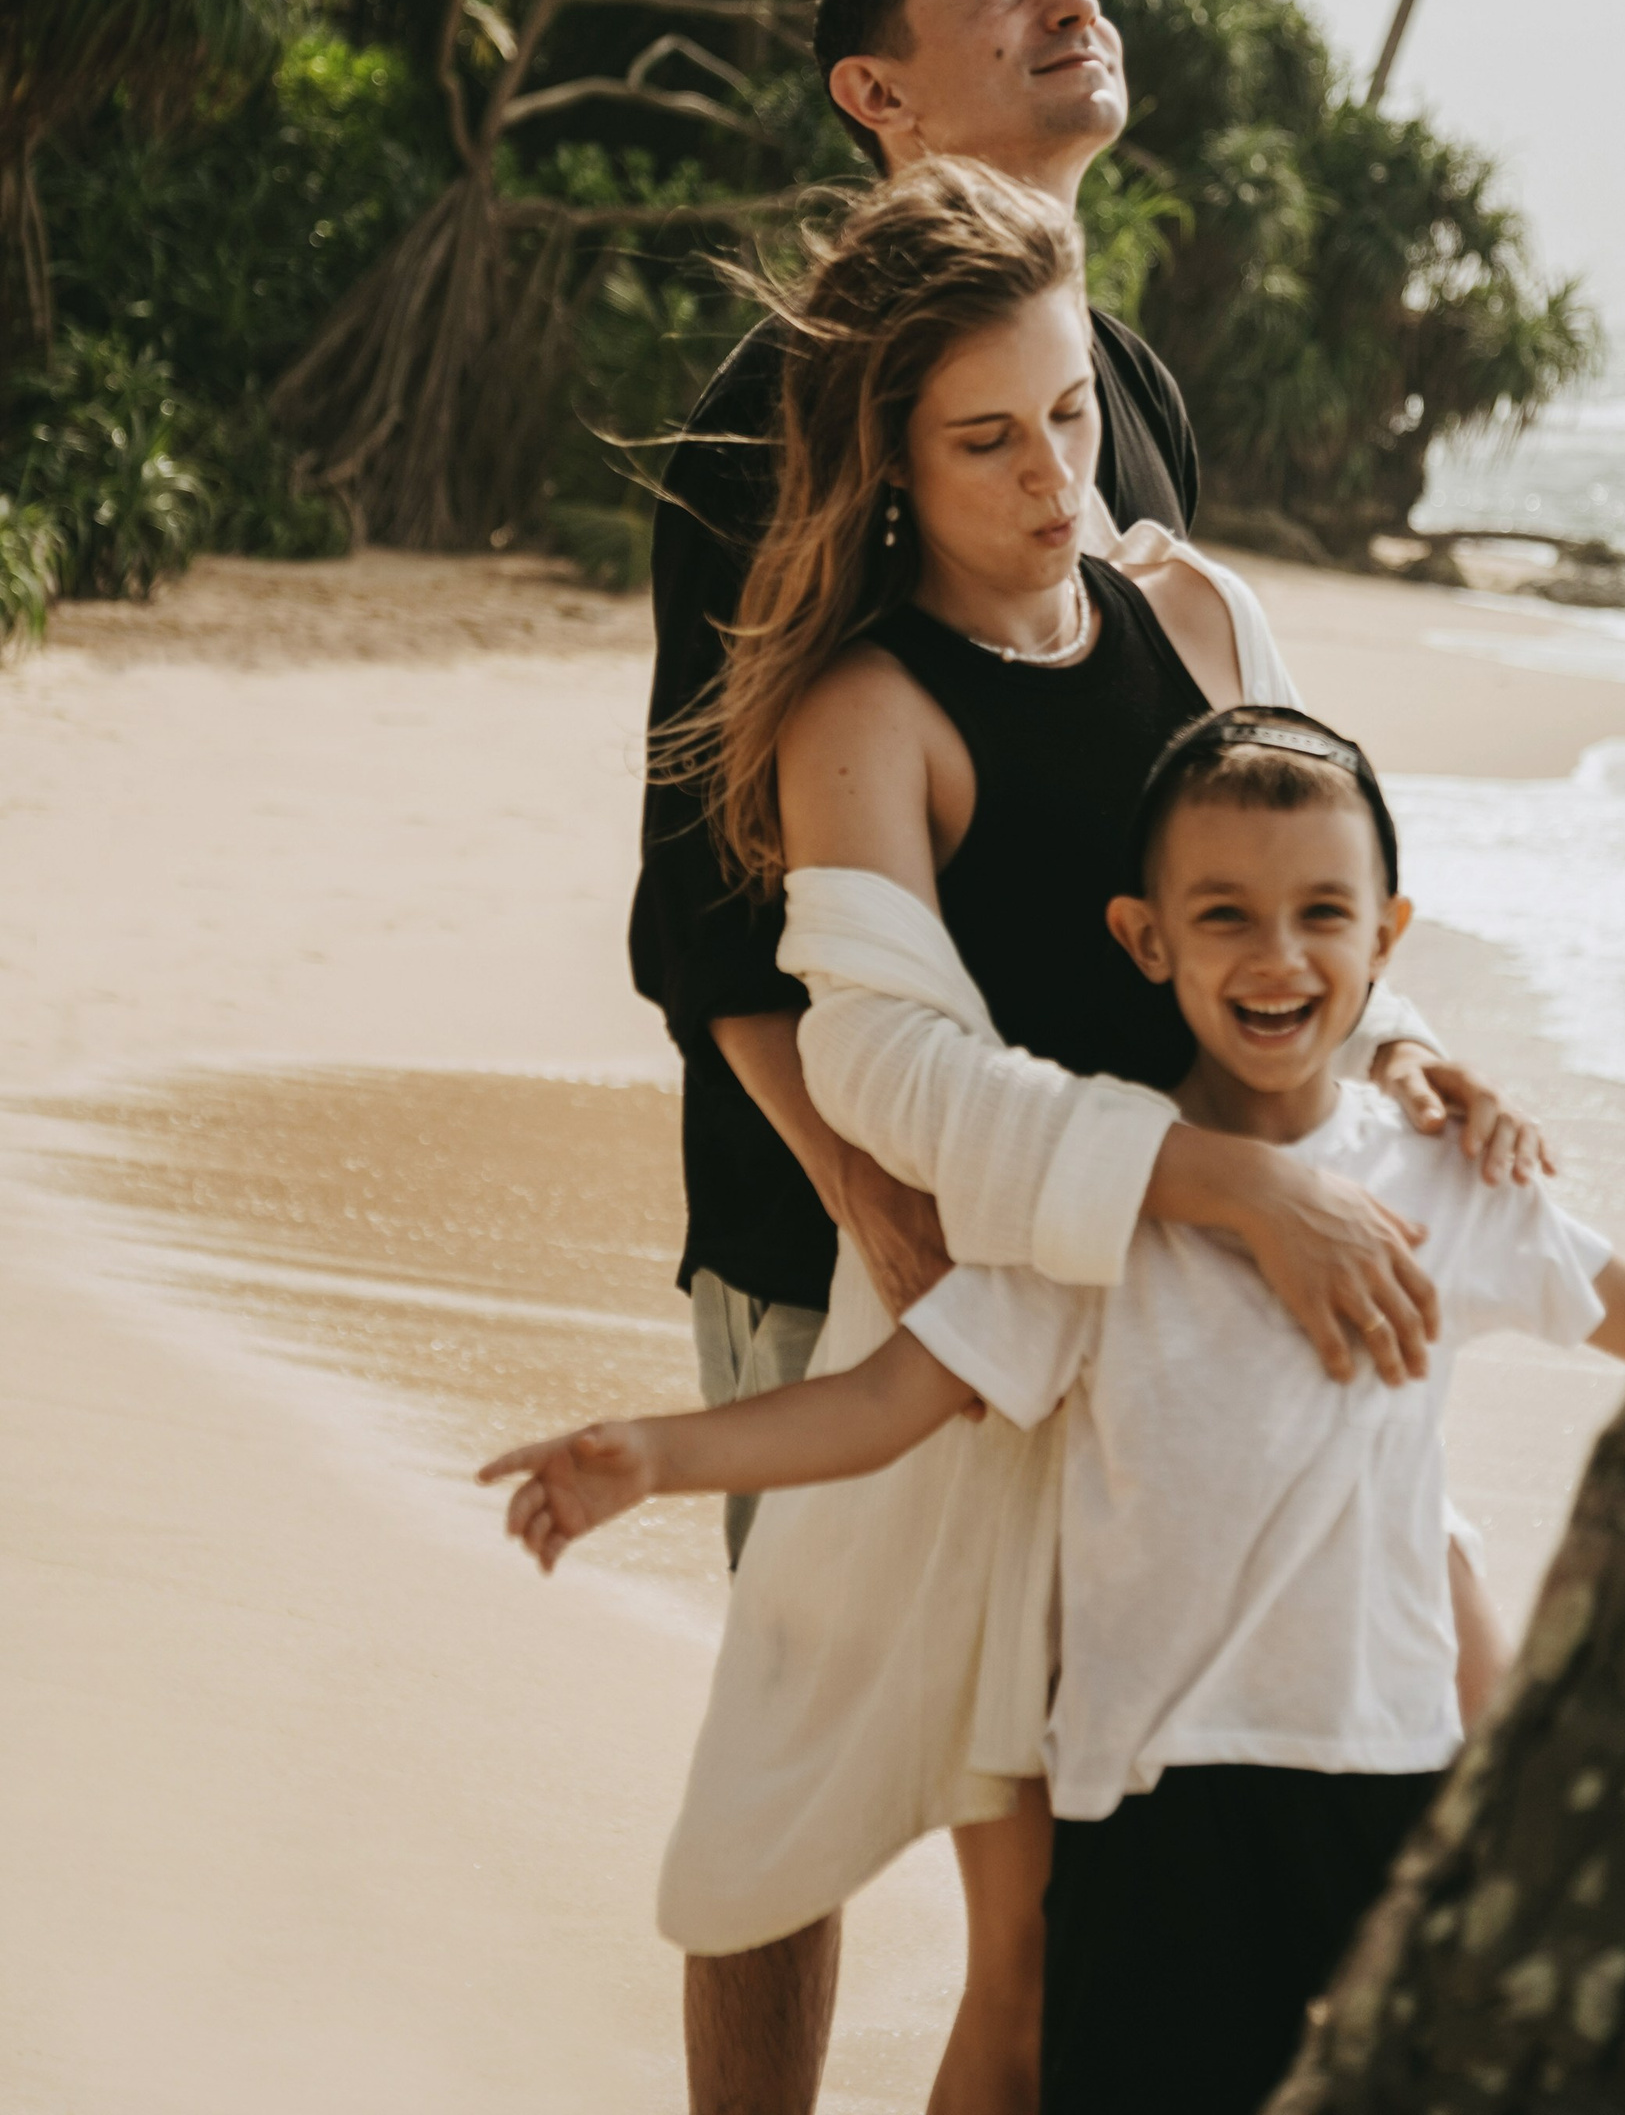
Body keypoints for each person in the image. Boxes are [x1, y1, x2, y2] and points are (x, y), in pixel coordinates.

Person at [638, 123, 1545, 2114]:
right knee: (1043, 1979)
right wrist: (1215, 1179)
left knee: (1414, 1859)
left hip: (1249, 1362)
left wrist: (1403, 1051)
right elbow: (885, 1065)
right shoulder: (864, 712)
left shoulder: (1193, 618)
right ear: (888, 458)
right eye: (988, 442)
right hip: (1020, 1380)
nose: (1055, 480)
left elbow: (1304, 898)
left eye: (1069, 416)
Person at [490, 709, 1625, 2115]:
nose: (1277, 955)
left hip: (1383, 1762)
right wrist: (652, 1456)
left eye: (1321, 914)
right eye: (1224, 915)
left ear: (1386, 939)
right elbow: (885, 1401)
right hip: (1147, 1798)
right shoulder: (1105, 1198)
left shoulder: (1450, 1184)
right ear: (1145, 939)